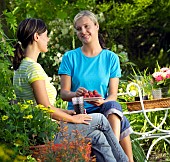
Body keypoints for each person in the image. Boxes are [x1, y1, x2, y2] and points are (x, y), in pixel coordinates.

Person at [12, 18, 129, 162]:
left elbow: (38, 107)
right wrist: (73, 118)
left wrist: (67, 112)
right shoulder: (33, 68)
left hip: (38, 129)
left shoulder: (21, 67)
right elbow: (45, 107)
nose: (48, 39)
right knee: (101, 120)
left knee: (98, 136)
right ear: (37, 37)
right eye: (46, 35)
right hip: (47, 132)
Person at [58, 10, 134, 162]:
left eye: (86, 26)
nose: (83, 31)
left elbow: (113, 94)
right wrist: (75, 94)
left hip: (103, 108)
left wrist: (102, 102)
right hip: (80, 112)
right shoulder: (70, 57)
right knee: (122, 120)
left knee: (112, 105)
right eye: (79, 29)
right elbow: (64, 93)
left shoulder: (111, 58)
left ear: (96, 26)